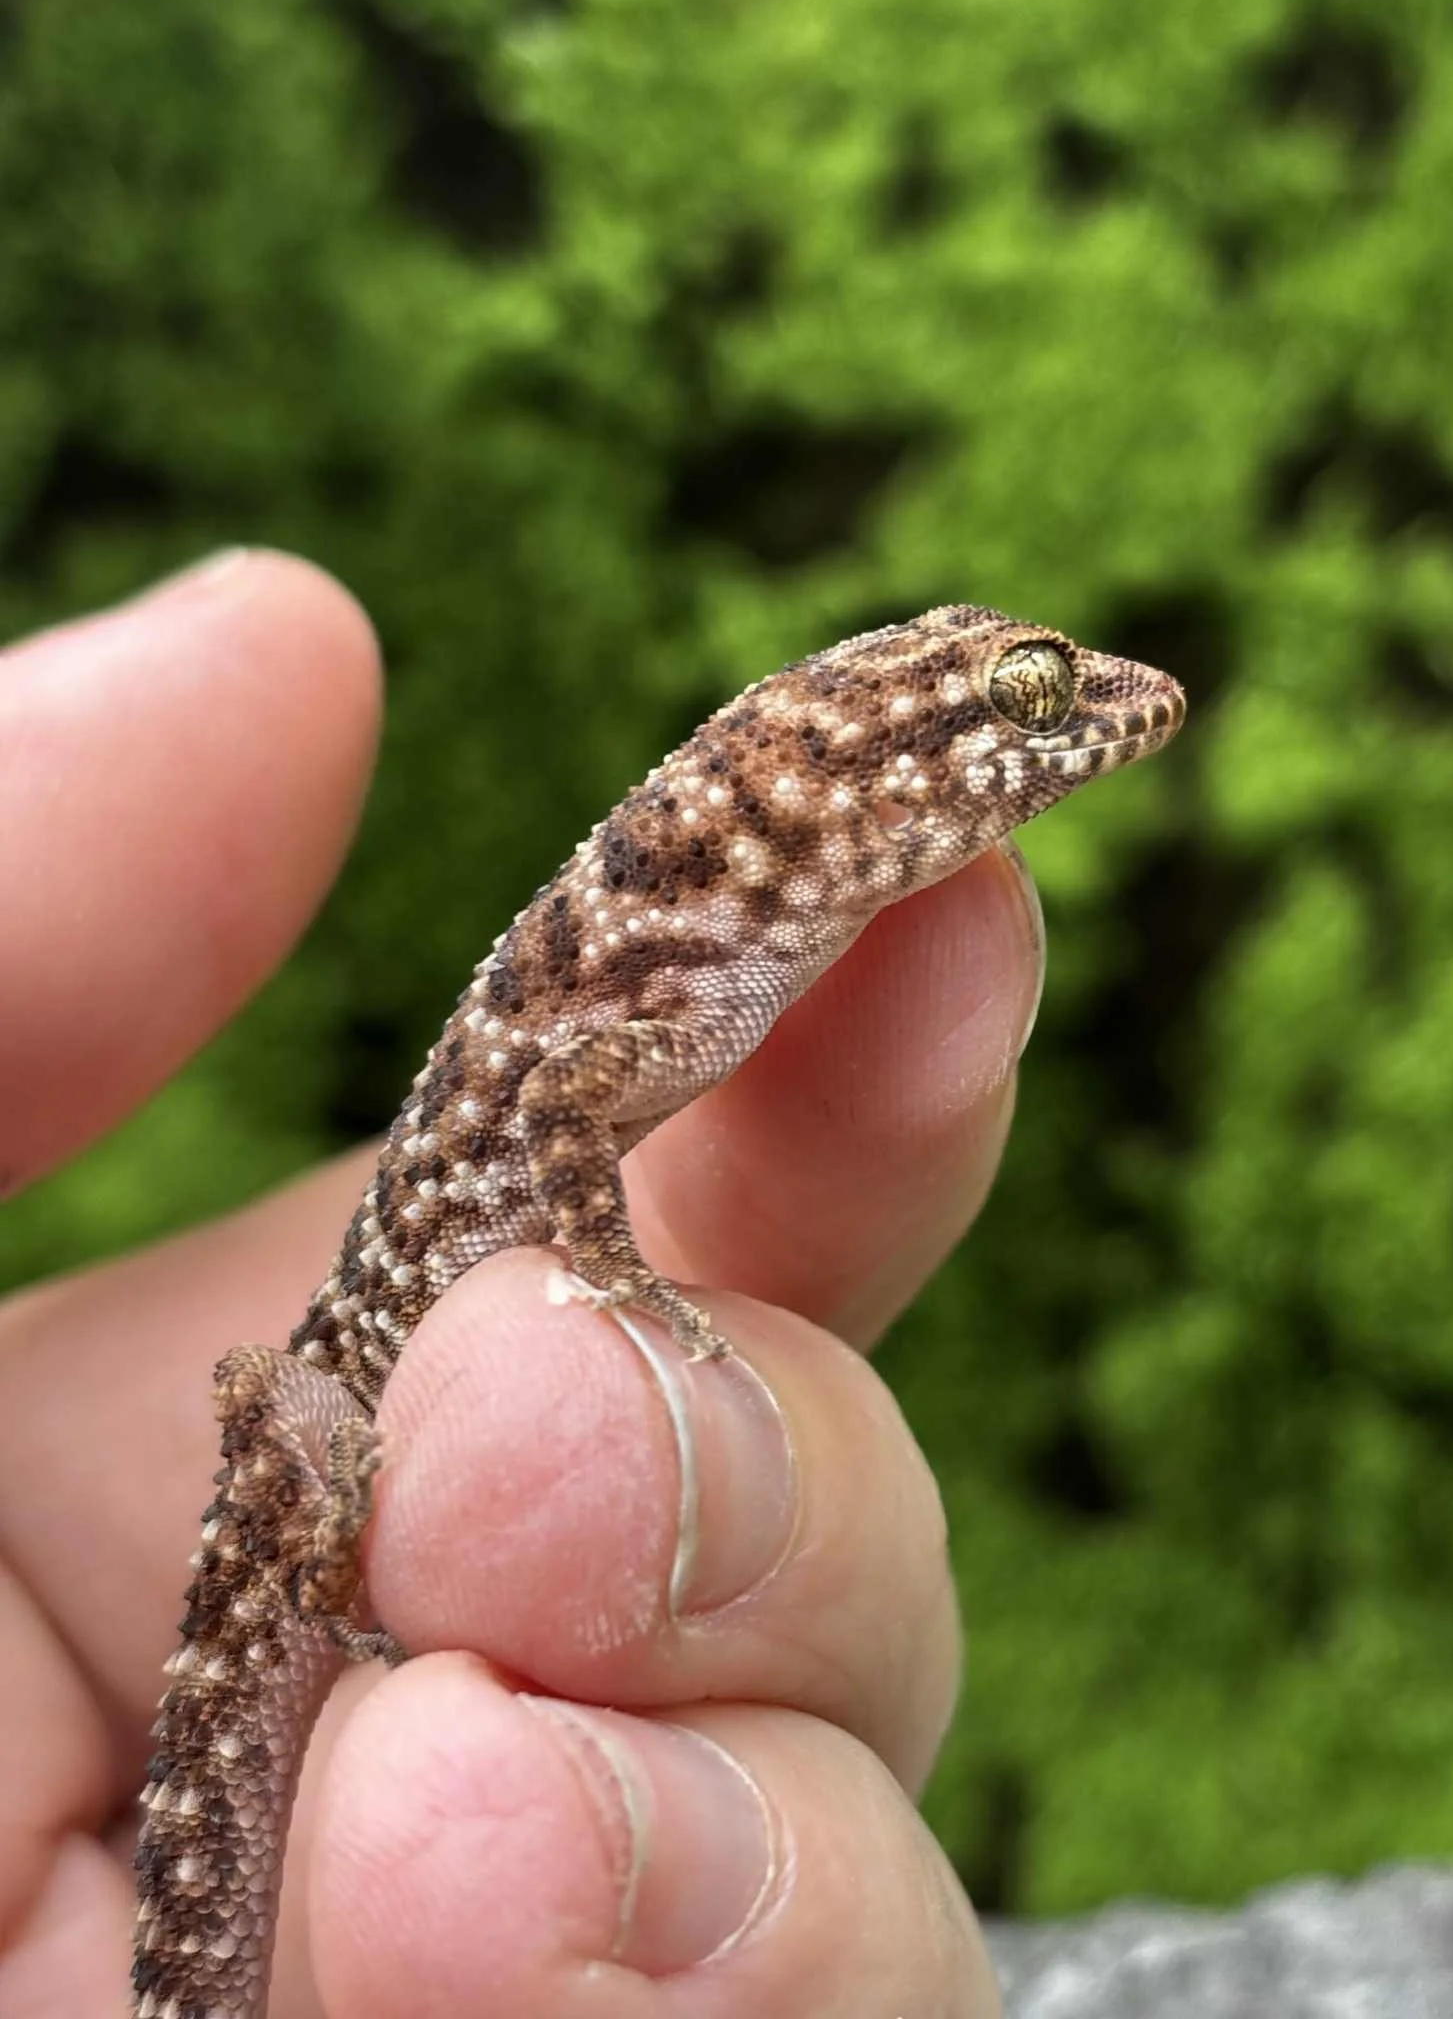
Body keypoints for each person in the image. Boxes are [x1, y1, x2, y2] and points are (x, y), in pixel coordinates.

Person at [0, 550, 1029, 2015]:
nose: (1101, 715)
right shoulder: (697, 967)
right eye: (1032, 703)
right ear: (884, 779)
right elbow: (558, 1103)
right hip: (318, 1446)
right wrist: (611, 1272)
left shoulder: (736, 937)